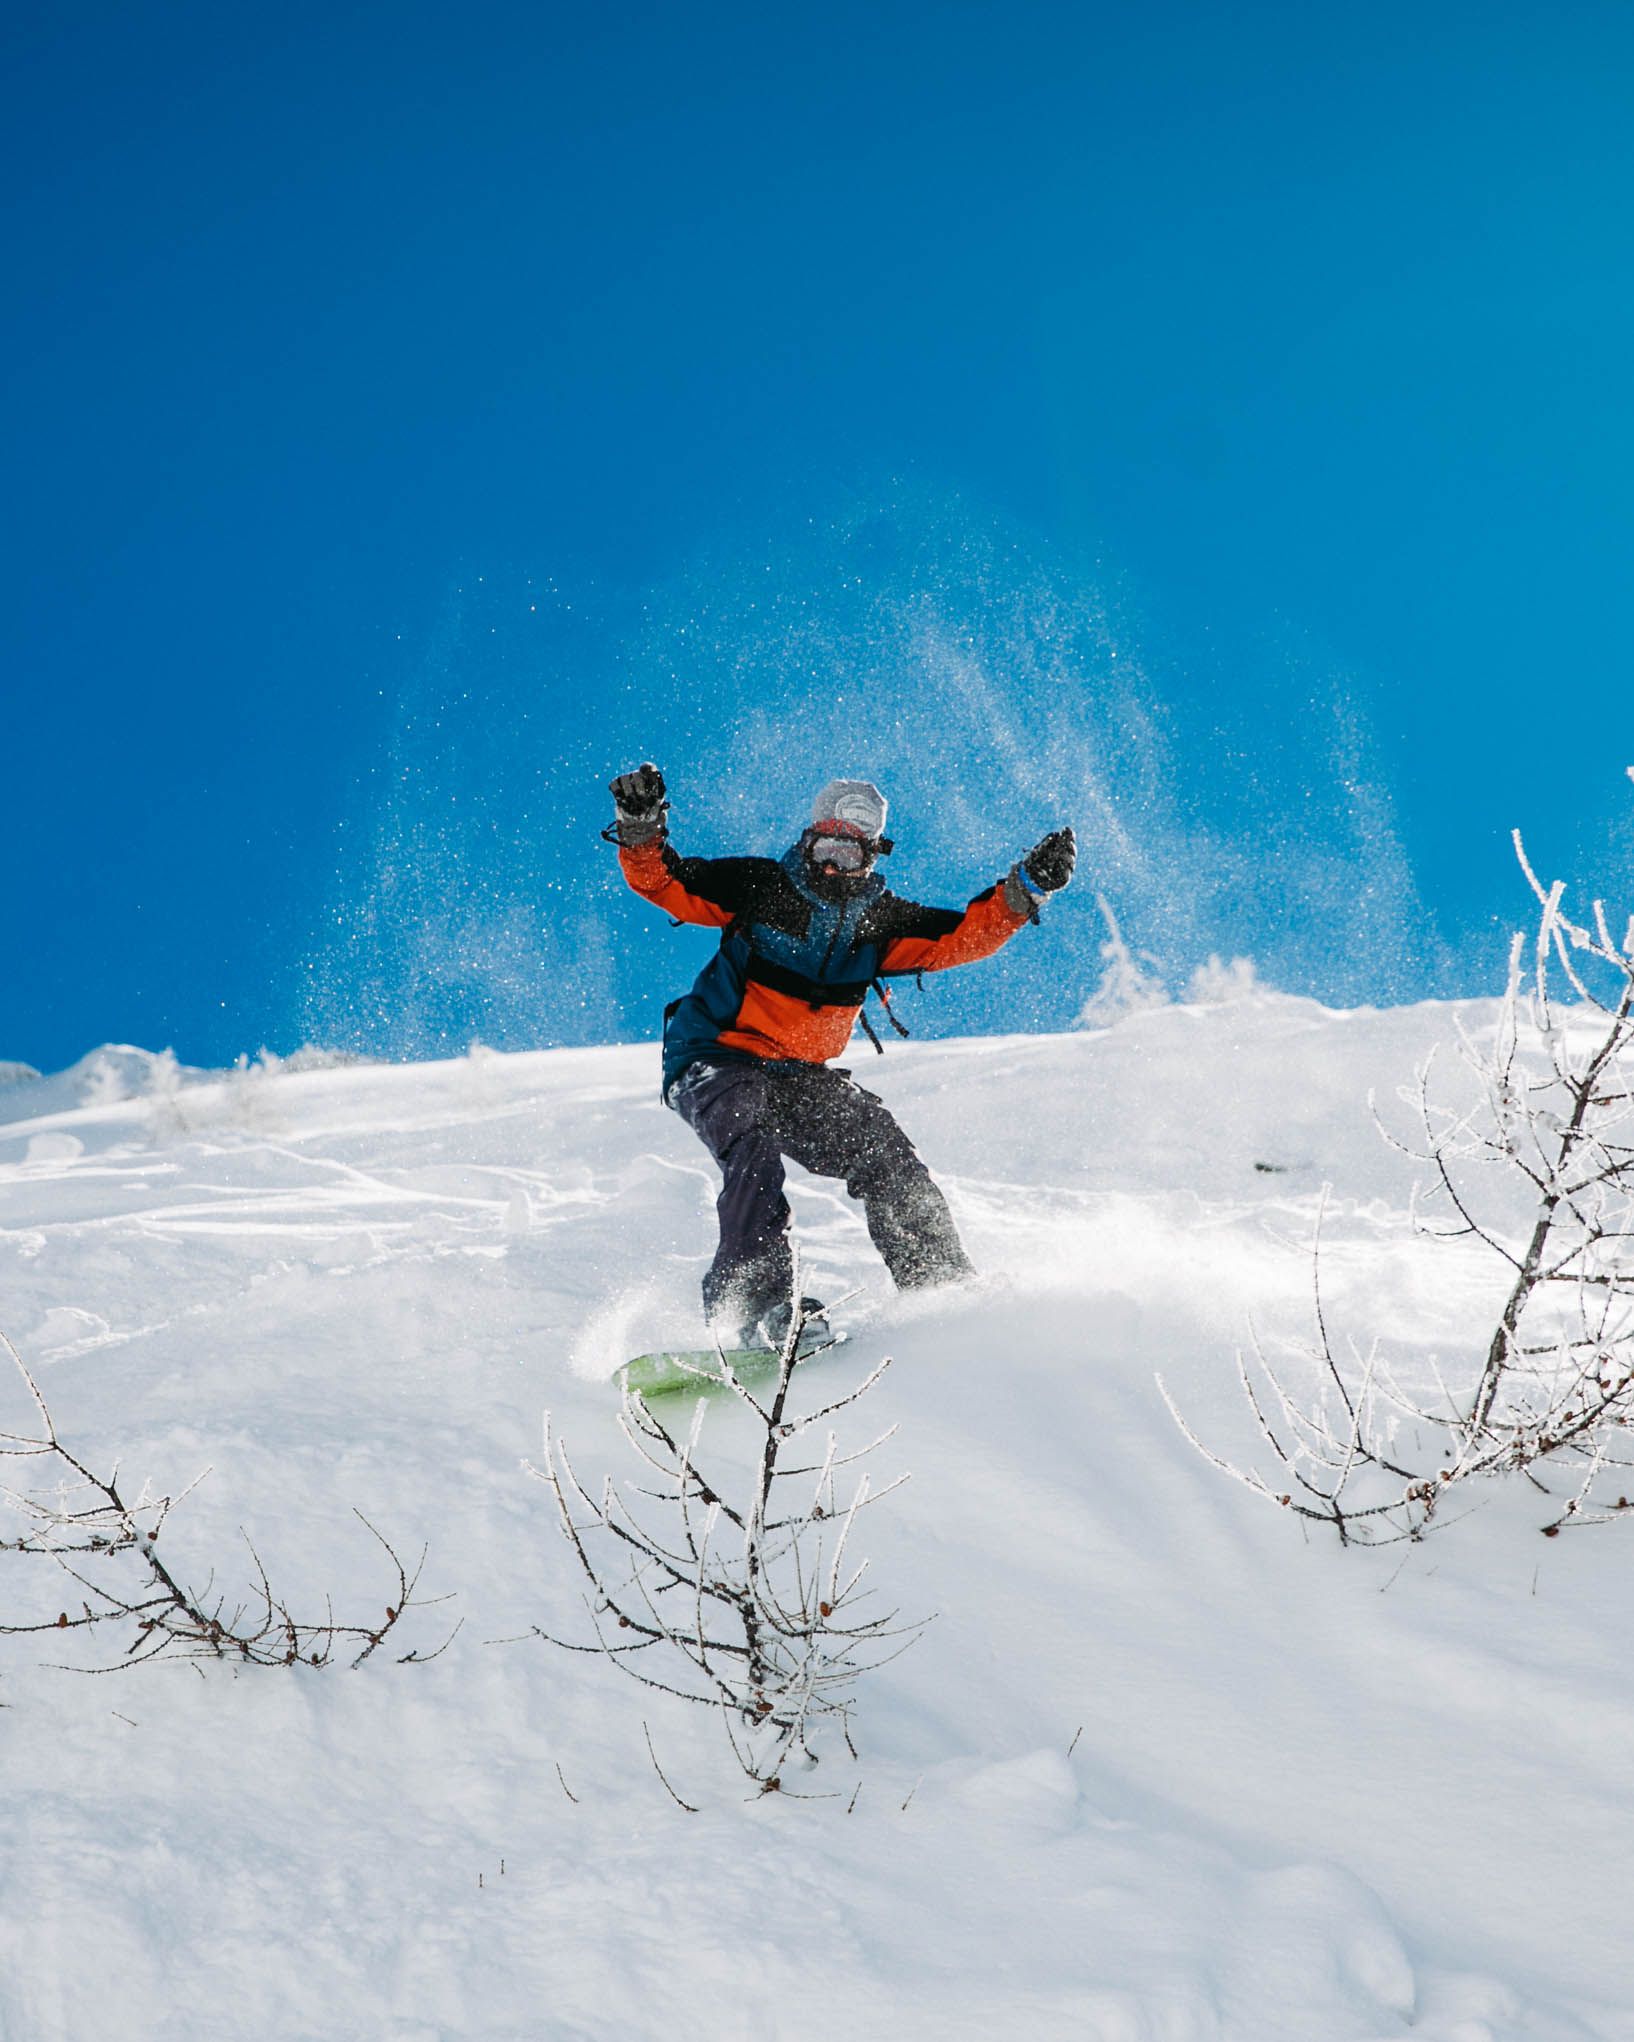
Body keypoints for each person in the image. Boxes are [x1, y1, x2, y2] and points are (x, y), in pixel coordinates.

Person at [607, 762, 1076, 1348]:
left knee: (884, 1152)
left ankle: (940, 1287)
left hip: (799, 1075)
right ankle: (753, 1309)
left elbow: (963, 937)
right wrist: (641, 826)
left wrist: (1025, 891)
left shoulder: (881, 924)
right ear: (808, 840)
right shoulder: (760, 887)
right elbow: (664, 882)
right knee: (752, 1149)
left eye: (848, 854)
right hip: (715, 1057)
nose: (832, 865)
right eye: (824, 848)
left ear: (871, 857)